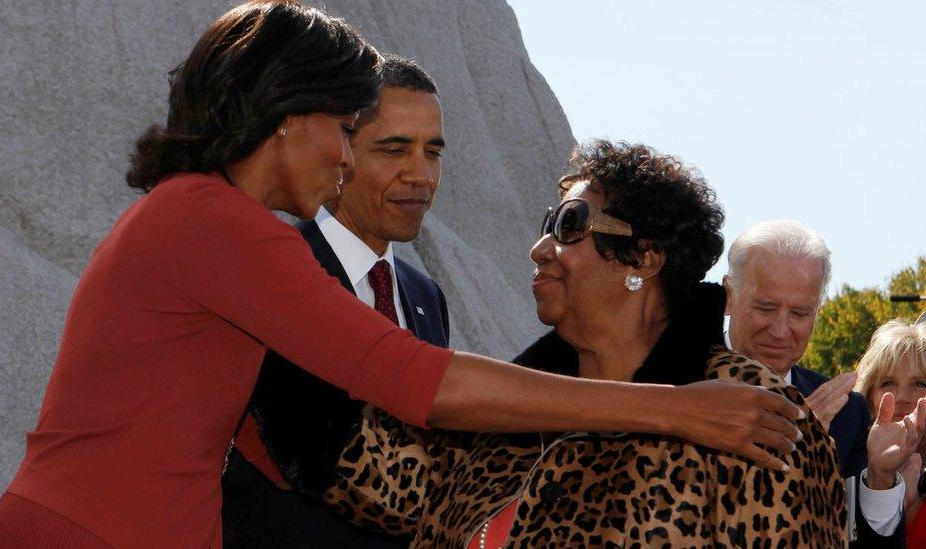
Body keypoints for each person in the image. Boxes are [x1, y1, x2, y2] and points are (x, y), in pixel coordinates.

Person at [0, 3, 806, 547]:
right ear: (289, 120)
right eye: (346, 125)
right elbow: (418, 382)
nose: (346, 156)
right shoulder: (213, 223)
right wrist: (673, 410)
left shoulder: (208, 223)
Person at [286, 140, 848, 546]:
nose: (539, 248)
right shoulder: (498, 422)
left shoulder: (750, 414)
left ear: (644, 259)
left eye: (571, 226)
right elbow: (353, 465)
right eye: (548, 223)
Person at [221, 54, 448, 548]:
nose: (421, 175)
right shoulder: (275, 270)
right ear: (342, 150)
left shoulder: (427, 297)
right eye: (394, 150)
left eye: (432, 152)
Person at [724, 220, 915, 545]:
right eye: (765, 307)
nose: (781, 330)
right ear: (728, 295)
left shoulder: (846, 412)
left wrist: (880, 479)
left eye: (799, 313)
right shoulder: (673, 386)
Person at [854, 319, 926, 547]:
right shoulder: (843, 471)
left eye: (920, 384)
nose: (902, 397)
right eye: (888, 383)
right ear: (868, 396)